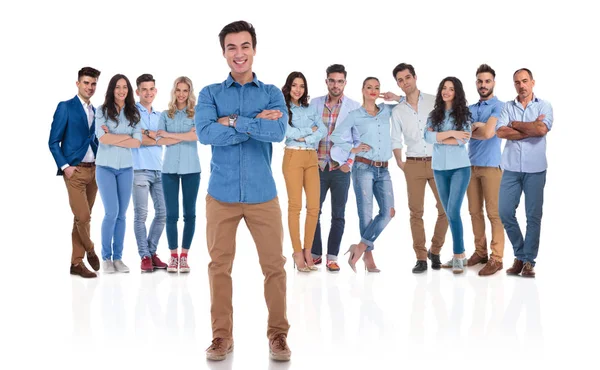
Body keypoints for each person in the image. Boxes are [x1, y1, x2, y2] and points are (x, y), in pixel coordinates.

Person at [195, 20, 291, 362]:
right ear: (224, 52)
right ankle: (221, 337)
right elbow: (205, 134)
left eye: (245, 46)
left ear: (254, 49)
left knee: (274, 267)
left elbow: (278, 131)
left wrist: (232, 121)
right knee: (219, 266)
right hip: (220, 194)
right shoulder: (209, 94)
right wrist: (254, 124)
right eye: (232, 47)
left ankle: (278, 335)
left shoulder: (272, 93)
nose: (239, 53)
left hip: (263, 194)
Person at [389, 63, 449, 273]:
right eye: (400, 80)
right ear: (398, 83)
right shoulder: (397, 111)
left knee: (446, 210)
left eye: (407, 77)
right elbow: (395, 139)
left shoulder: (435, 101)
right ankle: (421, 257)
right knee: (416, 213)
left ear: (415, 77)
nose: (405, 82)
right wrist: (400, 163)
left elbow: (447, 126)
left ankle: (435, 249)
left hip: (437, 163)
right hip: (412, 164)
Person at [331, 77, 395, 273]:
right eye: (369, 87)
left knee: (389, 212)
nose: (373, 90)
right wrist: (353, 149)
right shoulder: (355, 115)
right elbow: (335, 136)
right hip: (363, 168)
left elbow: (409, 105)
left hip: (383, 169)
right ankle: (368, 257)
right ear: (362, 90)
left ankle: (359, 247)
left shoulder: (386, 110)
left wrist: (396, 97)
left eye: (377, 87)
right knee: (365, 215)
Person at [496, 68, 553, 278]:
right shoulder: (506, 107)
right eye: (517, 82)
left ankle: (528, 261)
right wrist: (530, 128)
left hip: (535, 169)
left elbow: (541, 130)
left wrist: (516, 125)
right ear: (514, 85)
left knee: (533, 216)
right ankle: (520, 254)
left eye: (525, 81)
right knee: (504, 212)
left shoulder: (544, 105)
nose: (522, 85)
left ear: (532, 82)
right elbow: (500, 132)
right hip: (510, 168)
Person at [49, 67, 102, 278]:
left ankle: (76, 263)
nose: (90, 87)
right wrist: (65, 167)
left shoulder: (96, 111)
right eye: (86, 83)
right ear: (78, 83)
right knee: (83, 216)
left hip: (94, 171)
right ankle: (90, 249)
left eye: (94, 84)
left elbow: (95, 140)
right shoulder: (66, 107)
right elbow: (53, 141)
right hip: (75, 171)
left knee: (80, 220)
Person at [309, 64, 361, 272]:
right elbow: (308, 130)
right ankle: (315, 254)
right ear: (326, 82)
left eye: (340, 81)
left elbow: (358, 139)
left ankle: (332, 257)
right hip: (317, 166)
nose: (336, 85)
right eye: (332, 80)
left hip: (340, 169)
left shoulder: (354, 107)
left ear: (345, 83)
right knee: (314, 211)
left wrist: (349, 164)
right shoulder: (314, 104)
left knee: (338, 214)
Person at [423, 77, 472, 274]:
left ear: (456, 92)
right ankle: (460, 256)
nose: (446, 91)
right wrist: (452, 133)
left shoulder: (464, 114)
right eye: (444, 88)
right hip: (439, 169)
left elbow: (464, 139)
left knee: (452, 211)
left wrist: (439, 137)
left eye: (451, 89)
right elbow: (426, 137)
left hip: (460, 168)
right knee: (449, 212)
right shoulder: (433, 114)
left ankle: (458, 255)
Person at [95, 74, 142, 273]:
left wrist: (113, 136)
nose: (121, 91)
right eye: (117, 87)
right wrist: (126, 137)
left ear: (129, 90)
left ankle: (118, 258)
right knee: (111, 213)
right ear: (112, 89)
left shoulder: (134, 113)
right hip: (105, 167)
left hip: (126, 168)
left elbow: (138, 142)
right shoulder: (102, 111)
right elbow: (102, 139)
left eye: (125, 87)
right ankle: (106, 258)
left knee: (122, 214)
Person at [281, 71, 326, 272]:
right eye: (294, 85)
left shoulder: (310, 109)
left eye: (301, 86)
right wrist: (311, 133)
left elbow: (323, 130)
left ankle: (309, 250)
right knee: (295, 206)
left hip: (311, 157)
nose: (298, 90)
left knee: (314, 207)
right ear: (289, 87)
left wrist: (305, 138)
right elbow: (287, 132)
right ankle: (297, 251)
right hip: (293, 156)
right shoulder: (282, 108)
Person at [156, 76, 201, 273]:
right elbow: (159, 140)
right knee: (171, 215)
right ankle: (173, 256)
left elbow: (198, 136)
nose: (181, 94)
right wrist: (184, 136)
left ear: (189, 93)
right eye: (178, 90)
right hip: (169, 171)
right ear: (173, 92)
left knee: (189, 214)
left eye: (185, 90)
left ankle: (184, 256)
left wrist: (170, 135)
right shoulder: (166, 115)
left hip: (192, 169)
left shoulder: (197, 114)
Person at [466, 64, 505, 276]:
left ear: (493, 83)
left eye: (487, 81)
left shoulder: (500, 106)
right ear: (476, 83)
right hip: (470, 166)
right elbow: (461, 132)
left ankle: (496, 258)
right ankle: (480, 252)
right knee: (474, 212)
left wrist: (475, 128)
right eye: (480, 81)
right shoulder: (470, 109)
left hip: (491, 166)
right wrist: (475, 128)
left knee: (494, 213)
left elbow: (489, 133)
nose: (483, 85)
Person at [132, 73, 168, 272]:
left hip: (159, 170)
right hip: (138, 169)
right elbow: (136, 139)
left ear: (155, 91)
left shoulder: (161, 116)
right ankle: (144, 256)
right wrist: (152, 136)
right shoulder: (131, 114)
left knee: (163, 213)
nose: (148, 92)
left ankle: (152, 252)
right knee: (141, 214)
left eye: (151, 89)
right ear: (137, 92)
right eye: (144, 89)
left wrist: (148, 134)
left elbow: (166, 138)